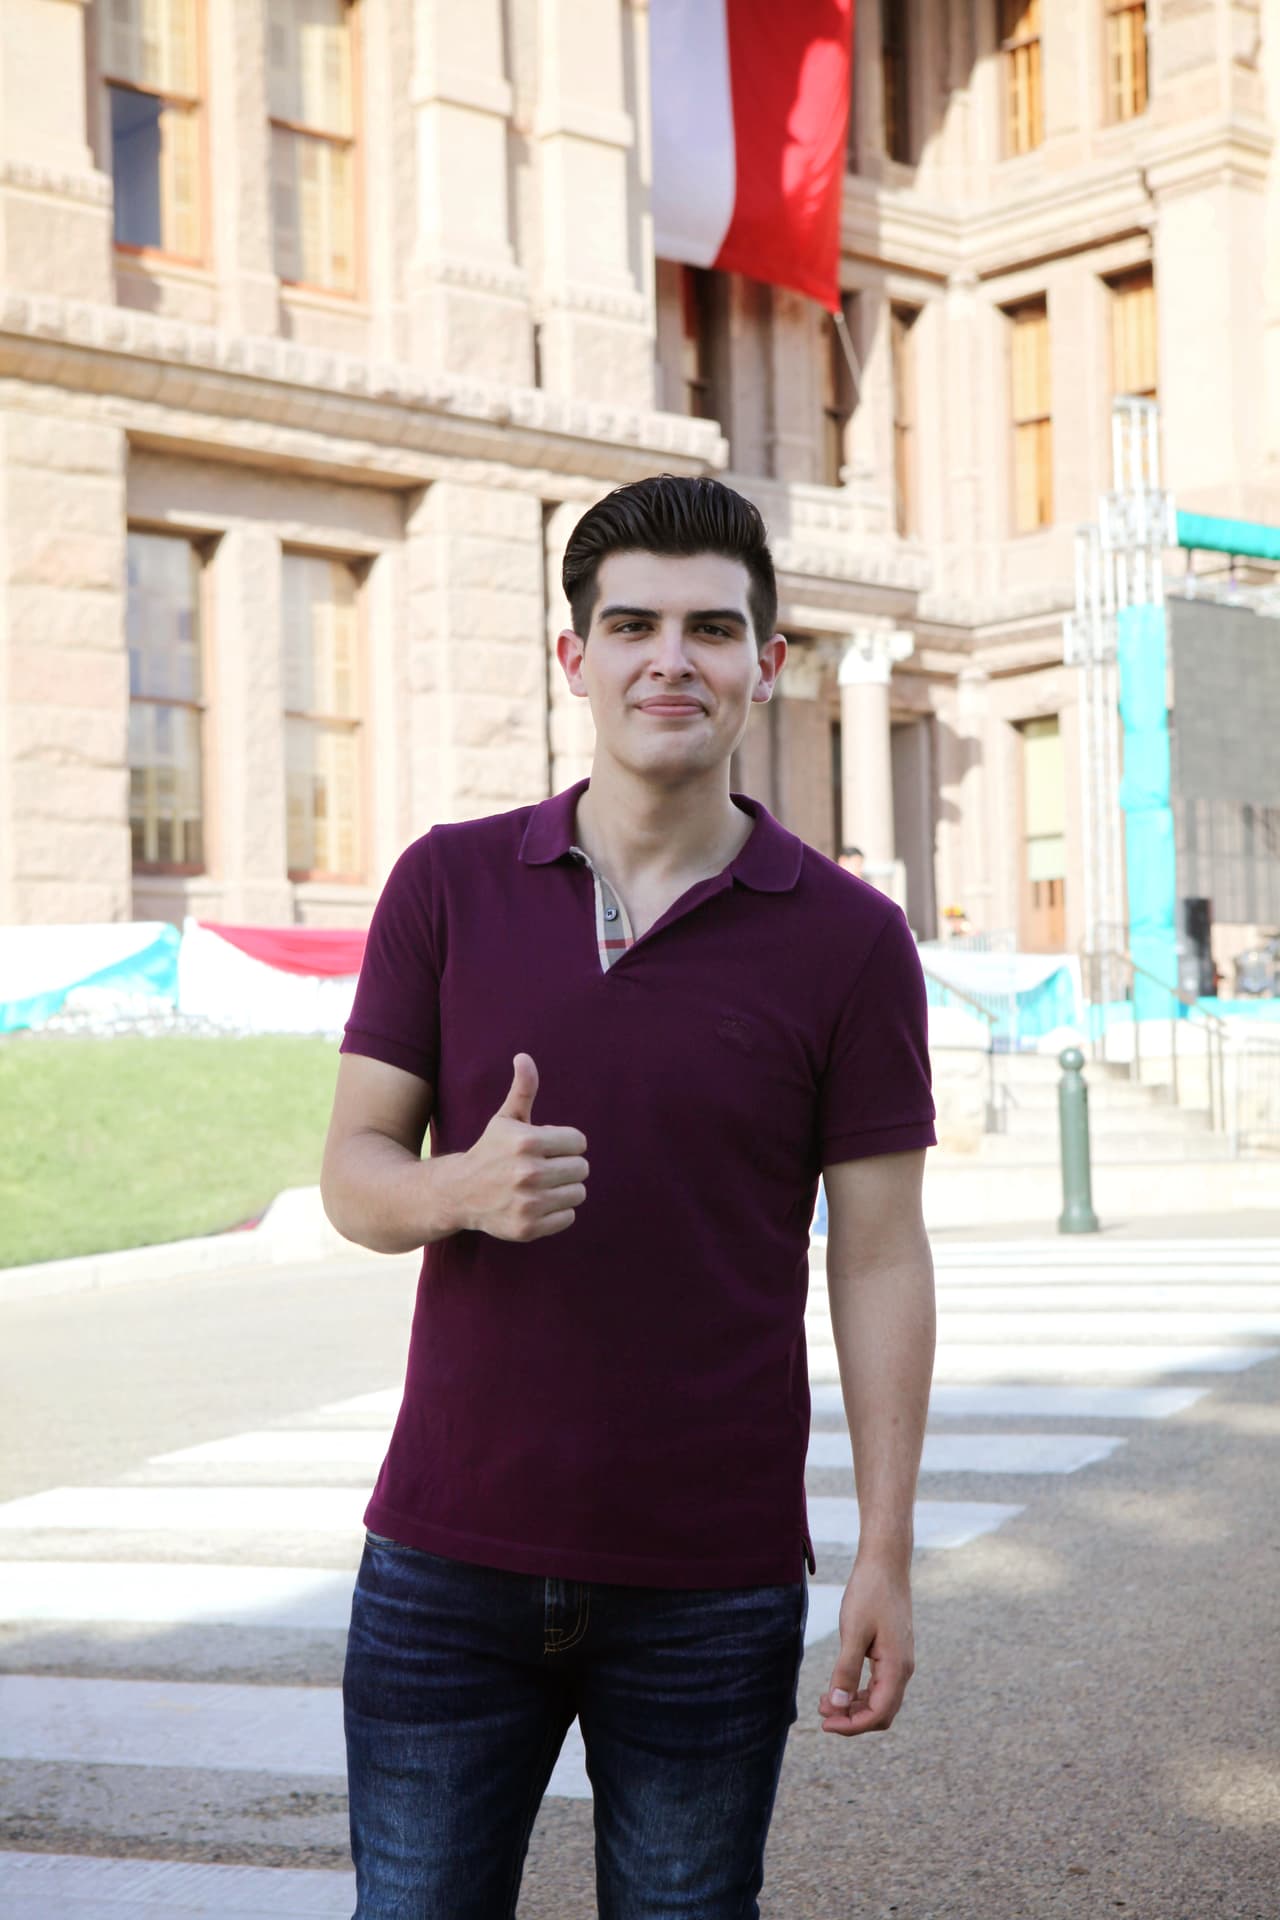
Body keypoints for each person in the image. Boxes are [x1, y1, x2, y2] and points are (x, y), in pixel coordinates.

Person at [321, 474, 938, 1920]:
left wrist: (886, 1552)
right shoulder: (446, 885)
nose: (673, 660)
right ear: (575, 657)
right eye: (633, 626)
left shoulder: (851, 940)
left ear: (765, 664)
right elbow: (353, 1175)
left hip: (710, 1580)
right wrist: (459, 1189)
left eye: (712, 630)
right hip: (446, 1561)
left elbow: (880, 1256)